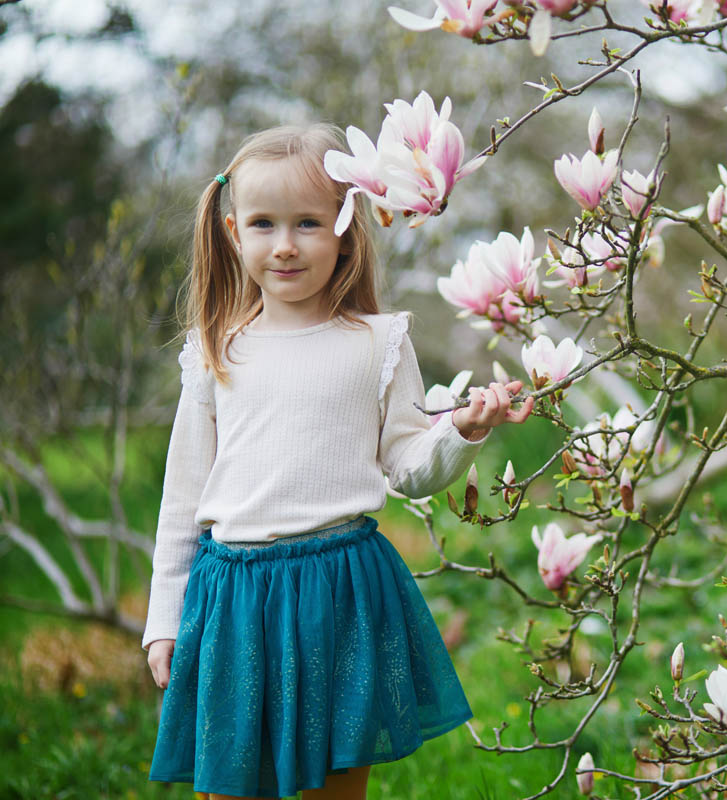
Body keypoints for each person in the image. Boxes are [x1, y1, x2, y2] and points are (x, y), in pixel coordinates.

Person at [142, 124, 533, 800]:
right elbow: (182, 498)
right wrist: (163, 621)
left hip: (340, 591)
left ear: (347, 229)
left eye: (308, 223)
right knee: (229, 785)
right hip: (233, 598)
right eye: (264, 223)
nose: (286, 244)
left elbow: (408, 465)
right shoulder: (216, 350)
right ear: (235, 232)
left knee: (335, 783)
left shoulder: (378, 342)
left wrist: (461, 431)